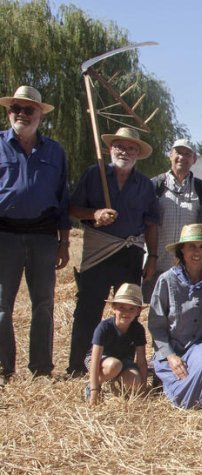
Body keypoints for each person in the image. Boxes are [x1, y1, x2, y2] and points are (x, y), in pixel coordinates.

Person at [66, 127, 159, 376]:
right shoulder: (93, 174)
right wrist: (94, 213)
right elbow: (73, 208)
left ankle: (123, 362)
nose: (125, 152)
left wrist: (152, 257)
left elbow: (151, 223)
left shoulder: (145, 185)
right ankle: (77, 365)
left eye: (131, 148)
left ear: (138, 153)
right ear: (110, 149)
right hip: (99, 250)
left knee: (128, 308)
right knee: (88, 307)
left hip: (131, 254)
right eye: (120, 146)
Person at [0, 85, 70, 383]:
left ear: (40, 114)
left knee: (43, 304)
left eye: (29, 109)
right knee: (2, 306)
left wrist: (64, 242)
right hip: (5, 233)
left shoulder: (55, 151)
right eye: (16, 108)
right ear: (8, 112)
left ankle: (41, 368)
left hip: (43, 234)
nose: (22, 114)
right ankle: (4, 369)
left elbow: (63, 198)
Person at [148, 224, 202, 409]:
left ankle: (178, 395)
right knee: (186, 371)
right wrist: (171, 356)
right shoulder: (167, 280)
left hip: (200, 344)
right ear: (181, 250)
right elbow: (155, 325)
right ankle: (195, 392)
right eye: (191, 246)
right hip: (172, 347)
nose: (197, 252)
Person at [145, 139, 202, 300]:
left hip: (187, 271)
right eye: (178, 152)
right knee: (153, 311)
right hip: (156, 265)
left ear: (194, 159)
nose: (182, 157)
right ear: (170, 155)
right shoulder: (155, 185)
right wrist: (150, 259)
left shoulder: (201, 189)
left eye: (188, 154)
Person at [85, 283, 148, 406]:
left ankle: (115, 381)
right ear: (113, 308)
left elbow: (141, 361)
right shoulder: (104, 327)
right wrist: (94, 391)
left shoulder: (138, 329)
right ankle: (92, 385)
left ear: (138, 311)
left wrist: (143, 389)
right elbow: (95, 360)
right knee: (114, 365)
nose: (126, 312)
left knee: (135, 381)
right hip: (102, 361)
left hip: (124, 361)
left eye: (131, 309)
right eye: (121, 307)